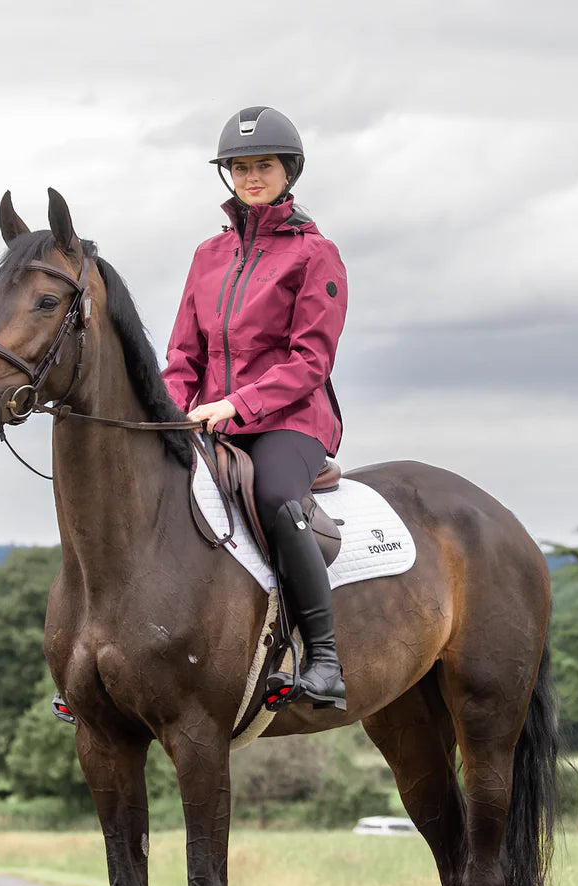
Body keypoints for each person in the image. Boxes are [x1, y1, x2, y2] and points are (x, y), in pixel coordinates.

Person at [162, 105, 348, 711]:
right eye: (239, 167)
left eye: (262, 165)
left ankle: (323, 656)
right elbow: (183, 355)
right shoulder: (206, 256)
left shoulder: (315, 255)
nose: (250, 176)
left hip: (291, 422)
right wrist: (164, 416)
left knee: (273, 498)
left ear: (288, 170)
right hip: (213, 420)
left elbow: (310, 362)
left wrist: (235, 406)